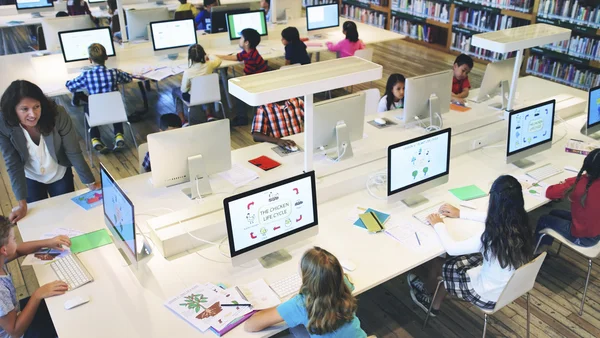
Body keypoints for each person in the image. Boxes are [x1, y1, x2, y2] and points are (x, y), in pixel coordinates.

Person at [407, 175, 533, 315]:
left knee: (442, 264)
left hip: (486, 295)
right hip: (510, 287)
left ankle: (427, 293)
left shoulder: (491, 235)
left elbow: (452, 248)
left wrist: (438, 225)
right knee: (457, 263)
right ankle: (435, 303)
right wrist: (461, 213)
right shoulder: (522, 221)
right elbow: (495, 218)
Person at [0, 80, 98, 223]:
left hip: (59, 173)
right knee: (40, 220)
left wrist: (90, 183)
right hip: (30, 177)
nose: (32, 114)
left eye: (36, 107)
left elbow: (73, 151)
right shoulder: (3, 123)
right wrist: (21, 203)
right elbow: (12, 163)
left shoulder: (58, 114)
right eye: (24, 109)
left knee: (69, 216)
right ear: (13, 110)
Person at [244, 247, 367, 337]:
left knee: (293, 329)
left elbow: (250, 325)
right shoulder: (343, 284)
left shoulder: (300, 304)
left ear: (306, 277)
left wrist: (286, 305)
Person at [0, 216, 70, 338]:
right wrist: (37, 295)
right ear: (4, 250)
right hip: (17, 331)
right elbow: (15, 331)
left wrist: (48, 242)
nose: (16, 242)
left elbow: (19, 250)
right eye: (14, 239)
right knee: (65, 321)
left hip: (13, 313)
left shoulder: (1, 256)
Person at [65, 43, 133, 153]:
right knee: (114, 103)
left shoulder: (86, 75)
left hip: (96, 113)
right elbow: (128, 78)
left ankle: (95, 139)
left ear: (90, 60)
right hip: (115, 112)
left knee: (88, 106)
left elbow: (71, 86)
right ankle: (119, 135)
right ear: (106, 57)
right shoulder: (114, 72)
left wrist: (68, 81)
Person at [535, 149, 600, 249]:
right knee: (554, 212)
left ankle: (536, 253)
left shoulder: (580, 184)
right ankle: (544, 248)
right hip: (595, 232)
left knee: (543, 219)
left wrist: (568, 181)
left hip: (583, 237)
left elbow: (550, 193)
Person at [217, 28, 268, 126]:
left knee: (238, 91)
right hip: (257, 79)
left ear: (246, 42)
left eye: (241, 38)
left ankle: (242, 118)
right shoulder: (249, 52)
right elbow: (236, 57)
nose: (239, 40)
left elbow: (246, 77)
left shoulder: (251, 58)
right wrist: (217, 56)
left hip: (258, 83)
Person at [173, 44, 222, 124]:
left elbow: (183, 89)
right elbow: (219, 60)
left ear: (190, 58)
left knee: (175, 91)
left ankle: (183, 121)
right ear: (204, 54)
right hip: (210, 94)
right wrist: (209, 55)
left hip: (193, 98)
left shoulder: (188, 72)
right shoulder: (209, 65)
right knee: (203, 89)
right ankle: (209, 114)